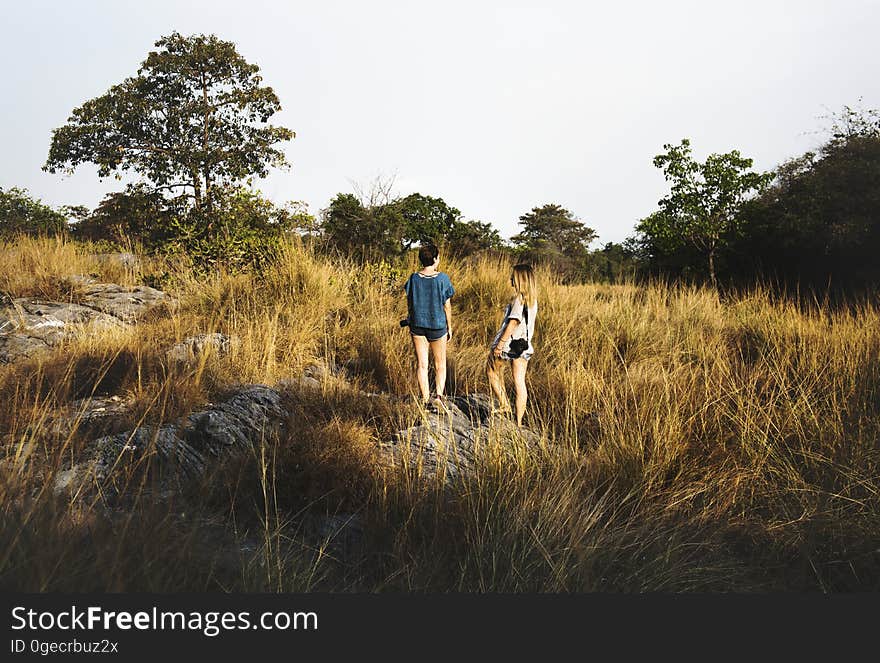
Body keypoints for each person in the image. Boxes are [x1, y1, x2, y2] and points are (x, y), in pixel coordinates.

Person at [403, 244, 455, 411]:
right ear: (435, 259)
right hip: (437, 325)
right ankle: (438, 397)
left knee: (422, 364)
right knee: (440, 364)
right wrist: (450, 326)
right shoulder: (442, 279)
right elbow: (447, 305)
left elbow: (410, 301)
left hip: (417, 324)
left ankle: (425, 400)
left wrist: (411, 317)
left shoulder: (413, 278)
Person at [487, 263, 537, 427]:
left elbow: (513, 323)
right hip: (524, 346)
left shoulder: (518, 299)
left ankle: (504, 404)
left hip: (509, 345)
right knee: (519, 382)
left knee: (491, 372)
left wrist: (500, 344)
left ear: (520, 279)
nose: (510, 279)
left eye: (513, 276)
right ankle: (519, 422)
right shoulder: (532, 301)